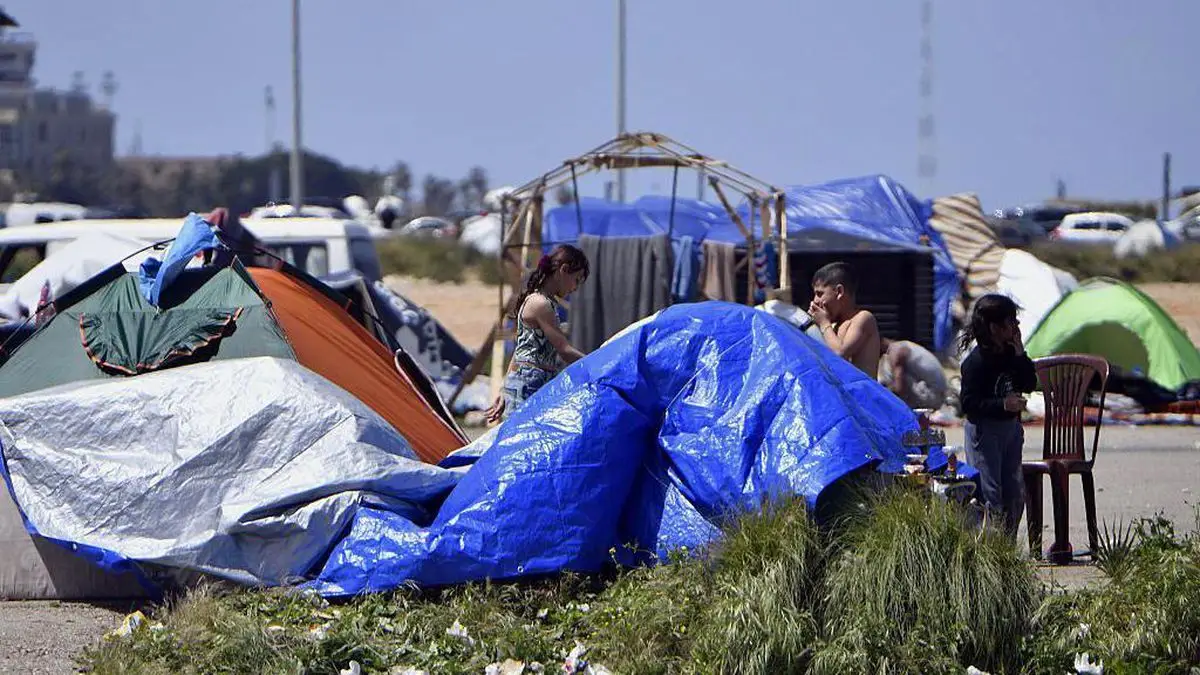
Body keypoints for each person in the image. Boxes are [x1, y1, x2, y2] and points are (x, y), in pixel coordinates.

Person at [958, 294, 1038, 538]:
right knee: (989, 495)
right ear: (994, 328)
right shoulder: (975, 363)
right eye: (1010, 321)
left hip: (1010, 431)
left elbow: (1029, 383)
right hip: (985, 433)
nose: (1016, 326)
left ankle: (1007, 546)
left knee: (1014, 494)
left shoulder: (1011, 355)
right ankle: (990, 549)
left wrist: (1020, 354)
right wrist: (1003, 404)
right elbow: (969, 403)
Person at [485, 245, 590, 424]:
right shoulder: (541, 304)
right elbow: (564, 350)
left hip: (532, 386)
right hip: (527, 388)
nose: (575, 288)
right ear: (563, 270)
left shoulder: (546, 302)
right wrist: (597, 362)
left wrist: (505, 388)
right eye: (576, 280)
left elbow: (520, 351)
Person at [808, 262, 881, 377]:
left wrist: (824, 324)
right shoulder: (833, 327)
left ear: (839, 292)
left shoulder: (863, 318)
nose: (815, 301)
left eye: (820, 294)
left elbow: (839, 355)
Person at [879, 337, 949, 410]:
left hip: (933, 396)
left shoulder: (896, 352)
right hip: (938, 394)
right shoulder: (902, 345)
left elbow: (899, 388)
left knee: (890, 372)